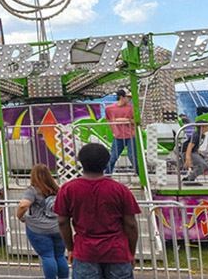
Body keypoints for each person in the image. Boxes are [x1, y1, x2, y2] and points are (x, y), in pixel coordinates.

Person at [55, 143, 139, 279]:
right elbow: (131, 224)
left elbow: (62, 222)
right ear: (106, 163)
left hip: (85, 253)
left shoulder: (68, 189)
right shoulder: (120, 189)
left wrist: (70, 248)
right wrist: (131, 251)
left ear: (81, 163)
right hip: (117, 252)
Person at [17, 164, 67, 279]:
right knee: (59, 256)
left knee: (47, 256)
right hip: (58, 227)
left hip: (39, 229)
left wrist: (19, 216)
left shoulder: (33, 190)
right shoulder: (57, 189)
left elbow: (23, 205)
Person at [105, 90, 137, 174]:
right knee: (112, 157)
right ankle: (107, 175)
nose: (130, 99)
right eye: (128, 97)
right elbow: (109, 120)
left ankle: (141, 175)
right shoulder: (109, 109)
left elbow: (137, 121)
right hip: (118, 136)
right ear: (122, 97)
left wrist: (125, 120)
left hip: (131, 135)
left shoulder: (132, 107)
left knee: (133, 157)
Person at [181, 118, 208, 184]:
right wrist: (187, 158)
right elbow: (189, 146)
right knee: (203, 165)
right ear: (203, 127)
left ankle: (189, 178)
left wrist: (198, 151)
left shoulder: (202, 135)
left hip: (192, 152)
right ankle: (190, 179)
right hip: (186, 152)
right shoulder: (196, 135)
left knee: (207, 167)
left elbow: (195, 145)